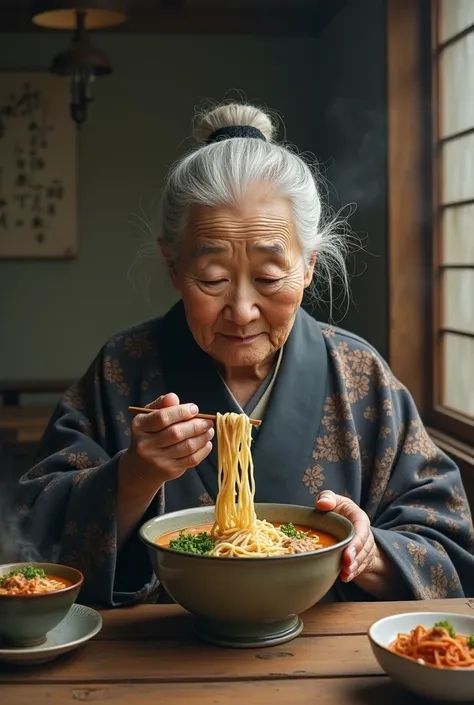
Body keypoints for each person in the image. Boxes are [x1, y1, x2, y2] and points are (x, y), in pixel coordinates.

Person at [14, 102, 474, 606]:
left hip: (328, 671)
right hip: (151, 667)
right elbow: (34, 542)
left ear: (309, 267)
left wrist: (368, 552)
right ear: (172, 265)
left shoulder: (360, 376)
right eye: (212, 280)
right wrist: (133, 477)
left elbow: (446, 545)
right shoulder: (123, 368)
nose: (241, 310)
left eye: (270, 278)